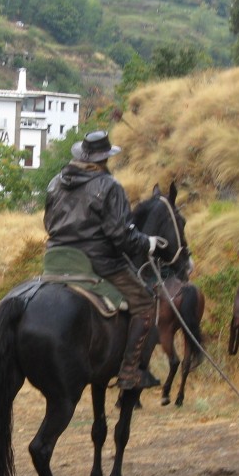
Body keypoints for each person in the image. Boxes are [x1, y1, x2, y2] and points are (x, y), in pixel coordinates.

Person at [44, 129, 161, 390]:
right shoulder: (110, 186)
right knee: (144, 302)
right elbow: (121, 237)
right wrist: (148, 243)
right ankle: (130, 371)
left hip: (56, 258)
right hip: (98, 261)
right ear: (104, 158)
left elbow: (48, 223)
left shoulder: (55, 182)